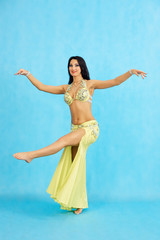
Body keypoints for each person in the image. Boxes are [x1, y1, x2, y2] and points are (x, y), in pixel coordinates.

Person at [13, 56, 147, 215]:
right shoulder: (66, 88)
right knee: (75, 167)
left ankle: (31, 155)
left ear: (82, 67)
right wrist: (28, 73)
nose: (73, 68)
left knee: (61, 141)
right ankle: (79, 203)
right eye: (70, 65)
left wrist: (131, 72)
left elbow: (115, 81)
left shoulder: (90, 84)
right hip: (75, 129)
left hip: (89, 128)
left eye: (76, 65)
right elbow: (42, 87)